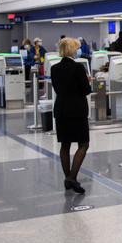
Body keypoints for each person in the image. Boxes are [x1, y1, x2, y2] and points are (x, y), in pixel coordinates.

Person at [51, 38, 92, 194]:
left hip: (61, 109)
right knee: (83, 144)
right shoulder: (78, 67)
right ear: (72, 50)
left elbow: (58, 88)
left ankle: (68, 178)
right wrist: (87, 80)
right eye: (77, 48)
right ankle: (72, 177)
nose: (78, 50)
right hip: (77, 110)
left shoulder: (54, 68)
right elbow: (85, 90)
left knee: (65, 144)